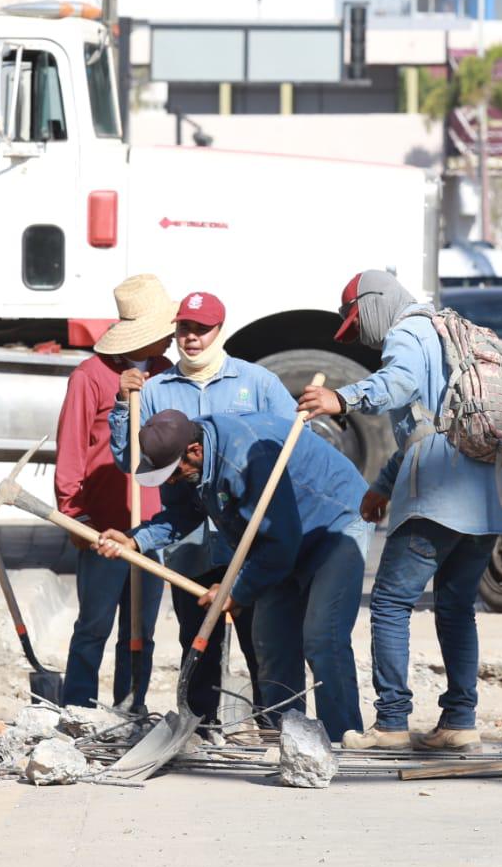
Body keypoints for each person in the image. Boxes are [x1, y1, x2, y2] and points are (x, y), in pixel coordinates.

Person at [298, 270, 502, 751]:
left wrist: (341, 399)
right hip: (489, 491)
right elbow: (432, 425)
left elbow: (396, 386)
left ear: (374, 305)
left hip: (441, 490)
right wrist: (382, 486)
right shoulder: (446, 331)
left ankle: (392, 722)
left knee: (392, 603)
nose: (360, 336)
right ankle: (460, 721)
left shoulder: (408, 332)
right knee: (456, 607)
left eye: (357, 324)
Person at [95, 409, 371, 741]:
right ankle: (286, 738)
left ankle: (342, 738)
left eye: (172, 472)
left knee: (322, 636)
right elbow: (183, 513)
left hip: (334, 521)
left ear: (194, 451)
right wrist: (137, 539)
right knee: (270, 640)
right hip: (278, 537)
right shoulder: (185, 464)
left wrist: (236, 591)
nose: (169, 481)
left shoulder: (244, 459)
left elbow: (281, 542)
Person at [106, 291, 297, 720]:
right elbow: (130, 463)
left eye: (201, 329)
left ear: (219, 330)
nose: (191, 338)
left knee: (261, 639)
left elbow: (293, 447)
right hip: (187, 537)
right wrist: (123, 407)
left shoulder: (257, 383)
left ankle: (275, 726)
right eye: (183, 328)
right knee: (198, 642)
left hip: (248, 544)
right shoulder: (154, 391)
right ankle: (200, 729)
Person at [54, 273, 172, 709]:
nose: (174, 338)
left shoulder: (165, 374)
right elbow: (71, 446)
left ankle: (131, 707)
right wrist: (73, 512)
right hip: (104, 526)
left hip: (151, 526)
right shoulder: (91, 376)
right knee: (94, 624)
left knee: (140, 631)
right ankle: (79, 707)